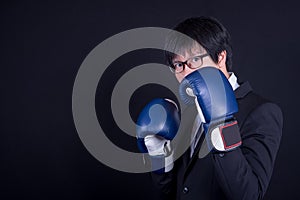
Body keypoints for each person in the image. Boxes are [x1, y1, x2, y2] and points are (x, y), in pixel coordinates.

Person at [136, 16, 283, 200]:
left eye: (195, 59)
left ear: (220, 56)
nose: (186, 72)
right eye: (179, 65)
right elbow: (171, 192)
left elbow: (249, 195)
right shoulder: (189, 110)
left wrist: (221, 125)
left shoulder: (261, 111)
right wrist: (160, 158)